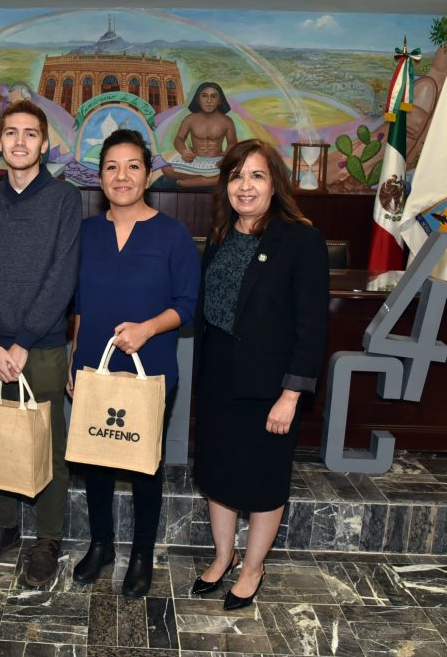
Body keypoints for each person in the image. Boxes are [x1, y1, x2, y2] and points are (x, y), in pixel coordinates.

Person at [191, 139, 328, 610]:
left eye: (256, 175)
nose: (245, 186)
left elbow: (312, 328)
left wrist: (291, 395)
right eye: (236, 176)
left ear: (275, 185)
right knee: (217, 472)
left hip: (270, 386)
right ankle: (223, 556)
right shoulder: (219, 235)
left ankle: (253, 568)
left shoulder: (301, 240)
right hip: (217, 377)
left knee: (264, 478)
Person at [67, 129, 199, 597]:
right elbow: (79, 303)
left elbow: (188, 305)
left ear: (148, 175)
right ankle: (101, 545)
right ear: (99, 177)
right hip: (94, 363)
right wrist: (74, 356)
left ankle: (142, 554)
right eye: (111, 167)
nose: (121, 176)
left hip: (151, 366)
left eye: (132, 166)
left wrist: (147, 328)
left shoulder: (172, 234)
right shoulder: (86, 232)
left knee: (145, 466)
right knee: (96, 461)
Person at [0, 99, 81, 587]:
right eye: (11, 132)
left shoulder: (65, 199)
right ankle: (4, 526)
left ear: (44, 143)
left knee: (47, 444)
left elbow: (62, 276)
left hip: (43, 346)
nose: (19, 141)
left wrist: (25, 342)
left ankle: (47, 538)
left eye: (30, 133)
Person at [163, 82, 237, 187]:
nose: (209, 101)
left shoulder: (227, 121)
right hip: (194, 160)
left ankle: (203, 180)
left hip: (217, 162)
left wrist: (226, 158)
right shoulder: (190, 119)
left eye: (213, 96)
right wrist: (184, 151)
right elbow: (179, 138)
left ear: (220, 100)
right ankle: (205, 179)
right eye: (204, 96)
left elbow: (232, 144)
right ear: (198, 99)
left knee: (236, 170)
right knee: (165, 169)